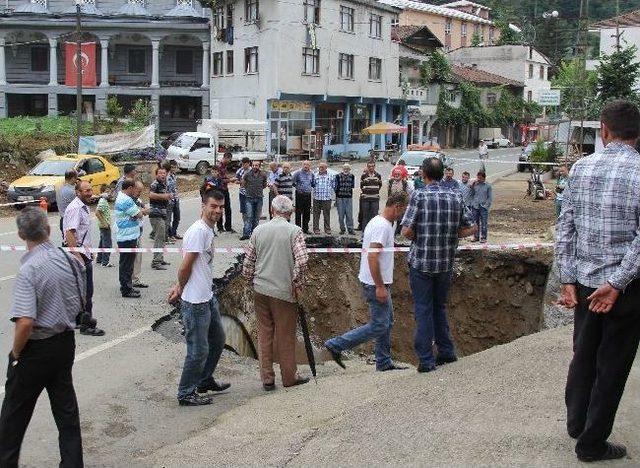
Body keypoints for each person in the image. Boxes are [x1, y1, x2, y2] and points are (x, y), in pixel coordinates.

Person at [556, 100, 640, 463]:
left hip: (588, 284)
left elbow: (566, 226)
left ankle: (578, 423)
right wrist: (619, 283)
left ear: (604, 130)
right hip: (626, 289)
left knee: (584, 355)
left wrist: (568, 277)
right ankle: (591, 444)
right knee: (613, 366)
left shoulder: (580, 168)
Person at [0, 207, 84, 467]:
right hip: (64, 342)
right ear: (48, 230)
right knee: (66, 411)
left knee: (13, 416)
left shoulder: (30, 270)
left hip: (36, 349)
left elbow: (25, 322)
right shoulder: (69, 259)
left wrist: (16, 354)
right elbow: (80, 299)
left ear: (22, 234)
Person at [401, 157, 476, 373]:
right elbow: (471, 228)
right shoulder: (455, 195)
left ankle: (426, 360)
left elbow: (406, 231)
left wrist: (420, 236)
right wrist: (451, 235)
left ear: (423, 174)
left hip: (422, 264)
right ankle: (446, 352)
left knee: (423, 310)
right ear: (443, 173)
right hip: (445, 263)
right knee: (439, 307)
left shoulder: (419, 195)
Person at [325, 192, 409, 372]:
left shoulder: (378, 222)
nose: (402, 216)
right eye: (402, 211)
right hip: (375, 283)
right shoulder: (382, 227)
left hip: (377, 281)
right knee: (380, 324)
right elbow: (373, 257)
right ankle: (336, 345)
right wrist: (379, 286)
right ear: (397, 207)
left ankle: (384, 361)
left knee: (388, 321)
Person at [168, 187, 230, 406]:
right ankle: (185, 393)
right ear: (203, 206)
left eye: (221, 207)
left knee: (218, 339)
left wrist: (180, 286)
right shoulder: (199, 231)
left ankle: (204, 380)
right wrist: (180, 287)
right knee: (198, 350)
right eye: (213, 206)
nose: (217, 210)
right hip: (195, 302)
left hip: (206, 296)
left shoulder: (207, 229)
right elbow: (185, 266)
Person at [242, 195, 310, 390]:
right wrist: (297, 282)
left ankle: (267, 379)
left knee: (264, 334)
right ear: (290, 213)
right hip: (283, 292)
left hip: (261, 290)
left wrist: (249, 281)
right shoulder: (294, 231)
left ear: (272, 211)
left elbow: (248, 261)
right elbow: (303, 260)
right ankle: (289, 377)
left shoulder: (258, 230)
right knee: (285, 335)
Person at [64, 180, 104, 337]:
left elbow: (81, 233)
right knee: (87, 291)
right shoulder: (75, 208)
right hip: (77, 255)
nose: (89, 193)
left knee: (80, 290)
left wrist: (87, 251)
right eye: (85, 191)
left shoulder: (83, 206)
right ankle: (87, 326)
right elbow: (70, 233)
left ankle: (79, 319)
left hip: (82, 252)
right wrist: (78, 256)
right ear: (77, 192)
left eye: (90, 190)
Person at [115, 179, 149, 298]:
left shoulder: (123, 197)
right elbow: (138, 214)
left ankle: (127, 286)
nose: (135, 191)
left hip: (127, 235)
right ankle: (126, 289)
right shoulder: (125, 200)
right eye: (134, 188)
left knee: (127, 264)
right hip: (127, 236)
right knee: (127, 264)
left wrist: (140, 211)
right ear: (129, 188)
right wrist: (145, 211)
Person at [149, 167, 172, 270]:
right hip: (156, 215)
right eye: (160, 173)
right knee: (159, 238)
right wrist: (164, 197)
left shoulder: (164, 184)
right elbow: (151, 195)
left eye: (164, 173)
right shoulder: (155, 184)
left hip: (162, 214)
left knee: (162, 238)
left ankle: (160, 258)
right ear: (156, 174)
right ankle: (156, 262)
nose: (163, 175)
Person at [240, 161, 267, 240]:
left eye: (257, 165)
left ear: (259, 166)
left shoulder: (263, 174)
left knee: (256, 217)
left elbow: (264, 185)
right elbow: (243, 184)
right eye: (254, 165)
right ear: (252, 166)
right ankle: (246, 234)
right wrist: (249, 190)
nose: (255, 166)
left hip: (259, 198)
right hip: (249, 198)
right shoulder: (247, 174)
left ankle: (254, 234)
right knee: (249, 216)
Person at [132, 181, 148, 289]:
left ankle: (136, 279)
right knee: (132, 258)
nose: (140, 193)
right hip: (131, 233)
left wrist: (143, 210)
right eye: (139, 191)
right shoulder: (129, 201)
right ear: (133, 189)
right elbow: (137, 213)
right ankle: (131, 280)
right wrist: (142, 211)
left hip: (138, 232)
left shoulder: (138, 200)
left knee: (138, 258)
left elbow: (144, 209)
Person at [469, 171, 492, 243]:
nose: (479, 179)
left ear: (484, 178)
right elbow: (471, 194)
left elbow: (490, 197)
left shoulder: (488, 186)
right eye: (478, 178)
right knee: (475, 222)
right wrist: (472, 186)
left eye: (480, 178)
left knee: (484, 223)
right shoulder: (475, 184)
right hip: (475, 206)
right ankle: (476, 236)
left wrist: (486, 206)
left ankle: (483, 237)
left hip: (483, 207)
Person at [292, 160, 315, 234]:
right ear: (302, 165)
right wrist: (299, 188)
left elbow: (313, 183)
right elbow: (293, 182)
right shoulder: (297, 173)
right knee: (298, 212)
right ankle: (298, 230)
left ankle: (305, 229)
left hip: (308, 195)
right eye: (304, 164)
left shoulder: (311, 173)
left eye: (307, 164)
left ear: (309, 166)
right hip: (300, 195)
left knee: (307, 213)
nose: (306, 166)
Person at [312, 161, 334, 235]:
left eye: (323, 167)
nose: (321, 168)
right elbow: (312, 185)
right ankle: (316, 229)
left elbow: (334, 186)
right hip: (317, 198)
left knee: (327, 214)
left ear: (326, 168)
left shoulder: (331, 176)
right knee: (316, 214)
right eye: (320, 167)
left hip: (327, 198)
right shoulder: (314, 175)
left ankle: (327, 229)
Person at [360, 161, 383, 230]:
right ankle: (365, 232)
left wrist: (374, 190)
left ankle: (374, 231)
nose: (371, 168)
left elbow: (380, 185)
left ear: (374, 167)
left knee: (375, 216)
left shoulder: (378, 175)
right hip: (366, 199)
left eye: (372, 166)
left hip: (375, 198)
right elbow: (361, 186)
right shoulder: (363, 176)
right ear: (367, 167)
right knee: (365, 216)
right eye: (369, 166)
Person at [388, 167, 411, 235]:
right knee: (390, 220)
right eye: (395, 174)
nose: (396, 175)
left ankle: (397, 233)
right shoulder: (390, 182)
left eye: (398, 174)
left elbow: (407, 194)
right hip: (392, 204)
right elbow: (388, 193)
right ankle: (389, 233)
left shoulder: (405, 183)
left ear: (401, 175)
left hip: (401, 205)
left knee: (400, 220)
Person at [334, 163, 355, 235]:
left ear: (350, 169)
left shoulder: (352, 176)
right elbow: (336, 187)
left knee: (349, 214)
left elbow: (352, 186)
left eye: (348, 168)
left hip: (348, 197)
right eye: (344, 168)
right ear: (342, 169)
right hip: (340, 197)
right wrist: (336, 198)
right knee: (341, 215)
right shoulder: (337, 176)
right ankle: (342, 229)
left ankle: (350, 229)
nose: (346, 170)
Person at [95, 184, 113, 267]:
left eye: (109, 191)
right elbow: (97, 212)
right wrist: (104, 223)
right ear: (102, 192)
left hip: (102, 225)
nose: (109, 193)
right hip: (105, 226)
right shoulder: (102, 201)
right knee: (107, 244)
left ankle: (99, 259)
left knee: (102, 242)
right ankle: (105, 262)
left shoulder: (104, 200)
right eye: (107, 191)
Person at [217, 152, 235, 233]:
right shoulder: (219, 166)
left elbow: (224, 177)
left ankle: (228, 227)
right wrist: (230, 180)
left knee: (228, 209)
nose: (230, 161)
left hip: (225, 189)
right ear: (226, 158)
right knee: (220, 208)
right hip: (220, 189)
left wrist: (230, 178)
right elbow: (220, 180)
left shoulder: (224, 166)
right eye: (229, 159)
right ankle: (220, 227)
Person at [56, 170, 78, 235]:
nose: (76, 180)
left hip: (62, 220)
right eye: (76, 178)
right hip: (71, 221)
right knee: (73, 243)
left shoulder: (59, 189)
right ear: (73, 178)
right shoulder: (72, 191)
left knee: (66, 242)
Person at [165, 160, 181, 242]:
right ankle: (169, 235)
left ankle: (174, 233)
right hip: (169, 200)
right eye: (172, 167)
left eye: (175, 167)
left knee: (177, 217)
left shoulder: (174, 175)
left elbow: (175, 187)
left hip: (176, 199)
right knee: (168, 218)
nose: (173, 169)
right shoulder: (166, 176)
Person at [235, 157, 251, 226]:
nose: (244, 166)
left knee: (251, 210)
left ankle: (251, 226)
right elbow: (236, 180)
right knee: (244, 210)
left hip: (251, 193)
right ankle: (246, 225)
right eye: (243, 164)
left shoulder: (252, 171)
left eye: (245, 164)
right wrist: (239, 182)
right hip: (242, 193)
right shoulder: (239, 171)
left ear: (249, 163)